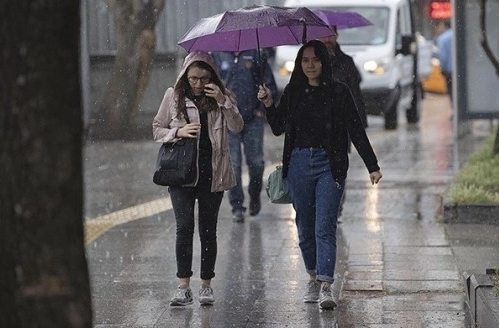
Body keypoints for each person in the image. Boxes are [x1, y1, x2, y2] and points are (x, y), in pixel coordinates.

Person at [257, 40, 382, 310]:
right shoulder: (293, 92)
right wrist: (268, 103)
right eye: (305, 60)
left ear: (324, 62)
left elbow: (356, 130)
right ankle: (312, 277)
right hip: (299, 163)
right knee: (304, 226)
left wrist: (372, 165)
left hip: (330, 165)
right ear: (300, 64)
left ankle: (326, 285)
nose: (310, 65)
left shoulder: (339, 92)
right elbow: (278, 128)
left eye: (315, 60)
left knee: (324, 226)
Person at [152, 51, 244, 306]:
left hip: (213, 174)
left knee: (208, 230)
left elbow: (238, 127)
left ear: (213, 77)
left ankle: (206, 285)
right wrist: (178, 131)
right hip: (181, 174)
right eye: (193, 78)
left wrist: (224, 100)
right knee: (184, 228)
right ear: (185, 76)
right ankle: (183, 285)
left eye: (204, 78)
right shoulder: (174, 96)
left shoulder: (222, 98)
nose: (199, 84)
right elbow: (157, 129)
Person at [212, 49, 278, 223]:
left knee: (256, 163)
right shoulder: (217, 55)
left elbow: (271, 86)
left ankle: (254, 194)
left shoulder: (257, 53)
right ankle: (237, 205)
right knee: (233, 164)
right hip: (229, 119)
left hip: (253, 119)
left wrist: (262, 107)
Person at [319, 27, 367, 128]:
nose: (327, 39)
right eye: (324, 34)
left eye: (330, 34)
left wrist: (359, 123)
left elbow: (355, 95)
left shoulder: (346, 62)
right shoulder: (310, 64)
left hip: (341, 124)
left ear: (336, 35)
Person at [434, 19, 454, 105]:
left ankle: (455, 108)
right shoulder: (457, 35)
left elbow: (442, 57)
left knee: (451, 91)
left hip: (449, 71)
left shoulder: (442, 39)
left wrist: (443, 68)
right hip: (460, 70)